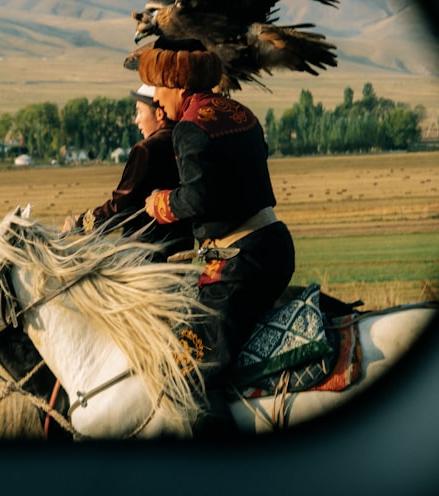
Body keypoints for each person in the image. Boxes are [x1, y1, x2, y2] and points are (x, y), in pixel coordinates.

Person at [138, 39, 295, 434]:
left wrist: (159, 203)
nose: (155, 98)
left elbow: (197, 197)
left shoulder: (190, 128)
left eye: (159, 87)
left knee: (188, 373)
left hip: (241, 264)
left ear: (178, 83)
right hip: (273, 244)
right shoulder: (241, 113)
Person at [61, 84, 193, 259]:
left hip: (145, 254)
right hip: (183, 250)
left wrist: (81, 223)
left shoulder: (147, 149)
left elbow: (120, 206)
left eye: (139, 112)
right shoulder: (187, 141)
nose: (136, 120)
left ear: (159, 114)